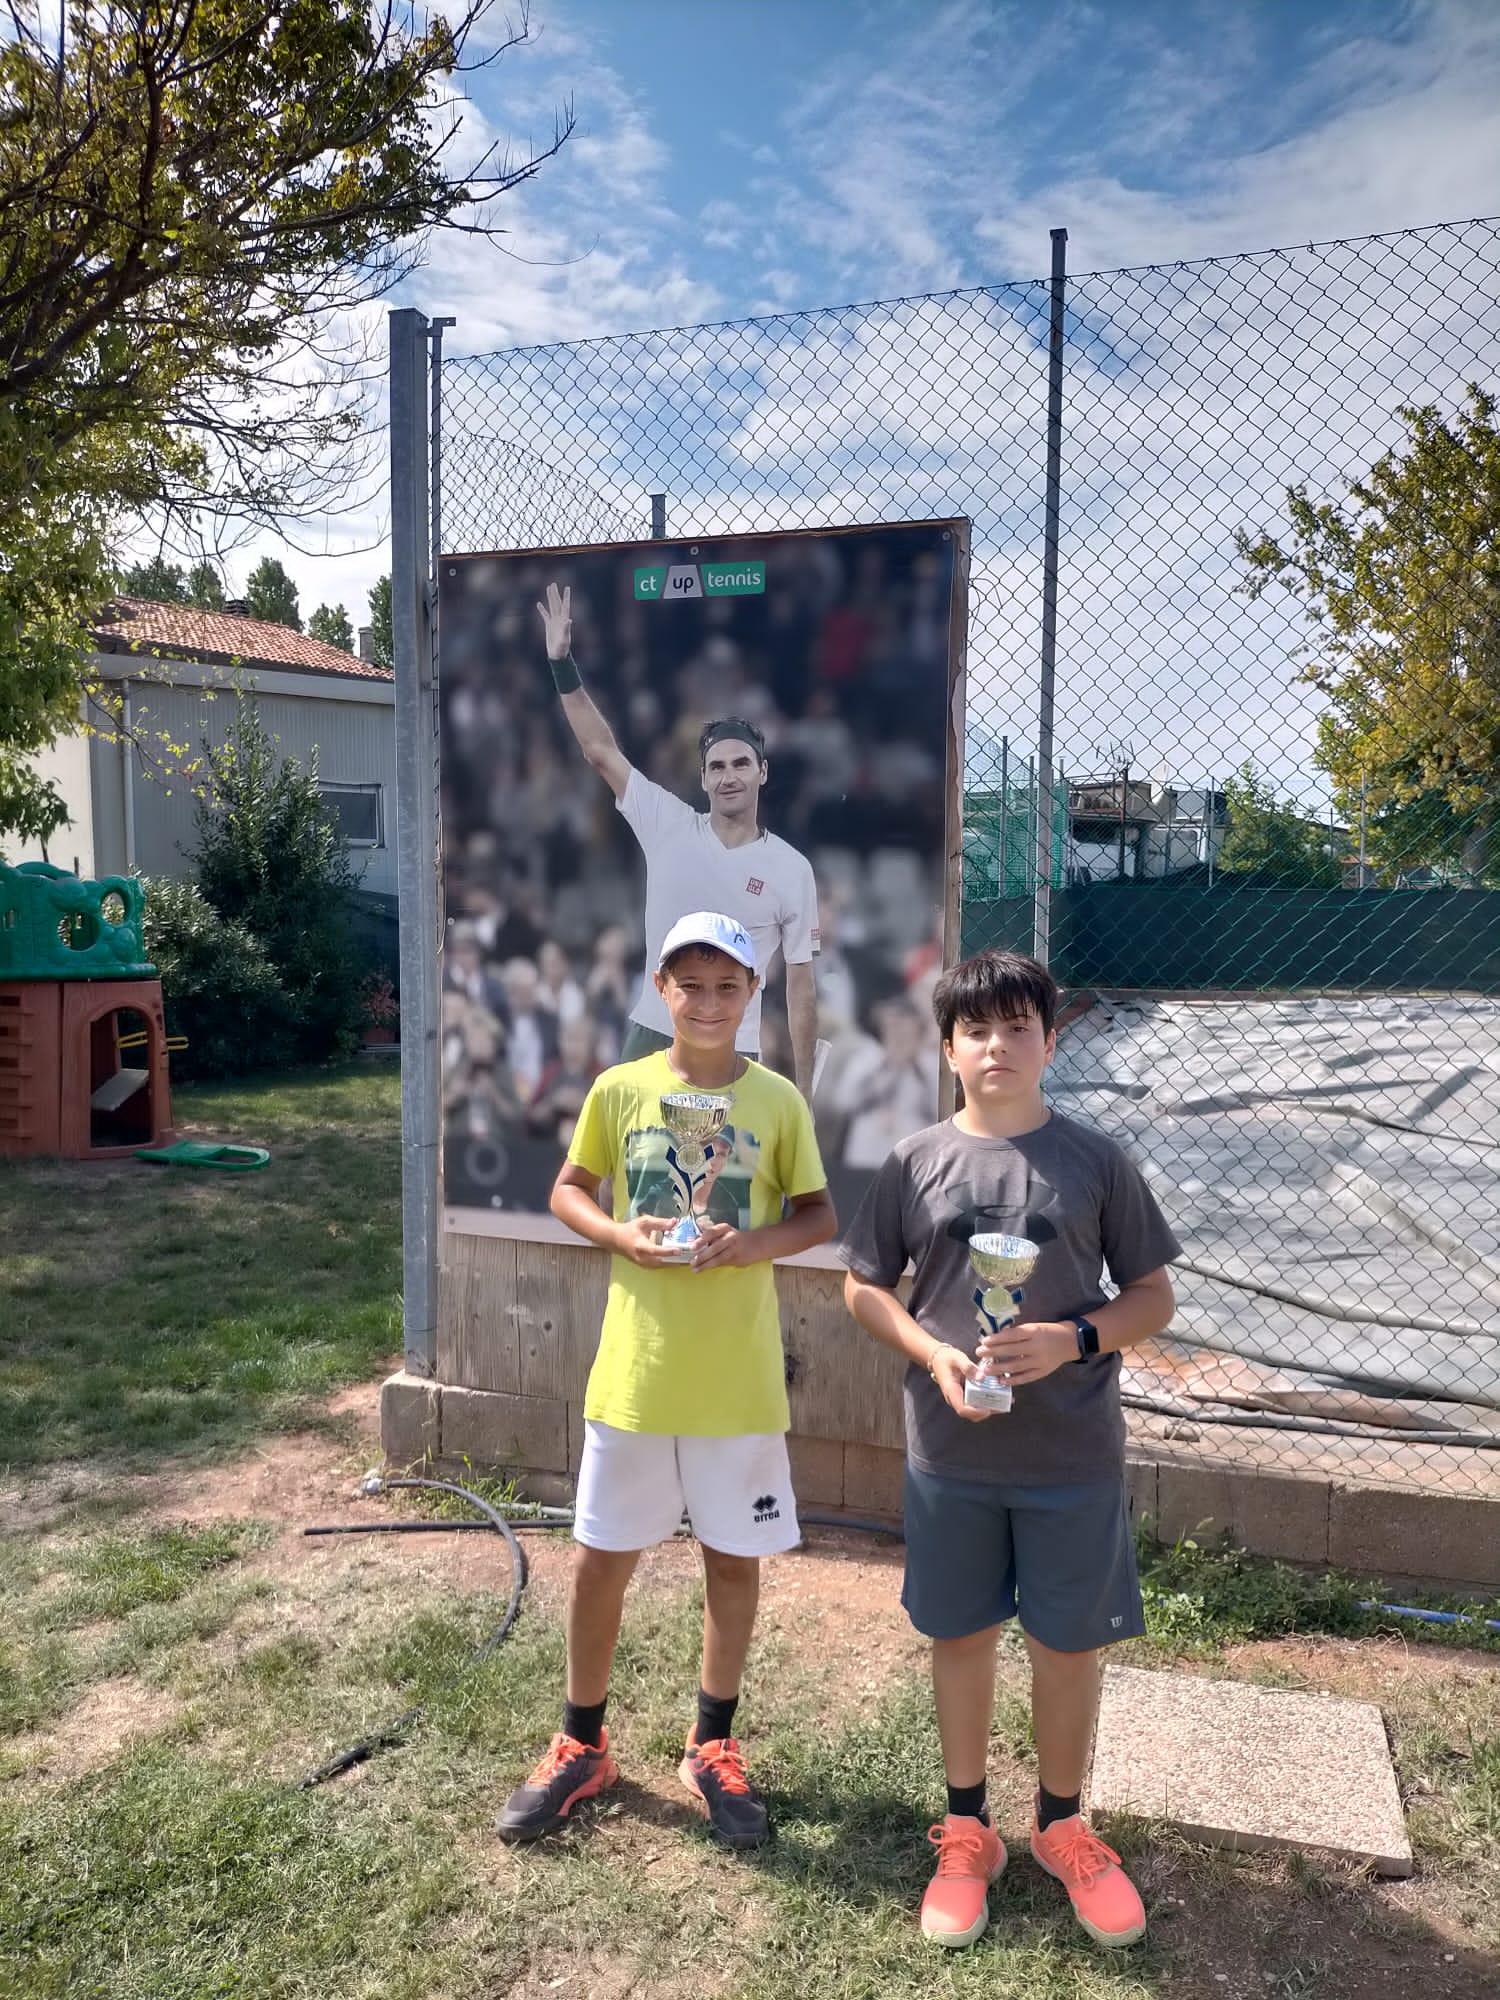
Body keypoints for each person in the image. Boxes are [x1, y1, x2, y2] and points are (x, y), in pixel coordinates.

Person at [840, 948, 1179, 1952]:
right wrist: (932, 1351)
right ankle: (968, 1830)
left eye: (1018, 1027)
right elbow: (863, 1285)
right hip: (952, 1453)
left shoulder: (1096, 1161)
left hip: (1071, 1455)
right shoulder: (914, 1161)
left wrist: (1075, 1338)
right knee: (961, 1635)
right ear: (948, 1049)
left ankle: (1062, 1825)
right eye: (976, 1030)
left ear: (1050, 1041)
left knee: (1068, 1643)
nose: (998, 1045)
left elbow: (1153, 1297)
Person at [496, 910, 837, 1850]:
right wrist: (620, 1234)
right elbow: (568, 1189)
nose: (708, 1002)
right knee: (603, 1558)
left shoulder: (776, 1100)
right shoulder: (622, 1088)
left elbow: (817, 1214)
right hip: (637, 1376)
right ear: (661, 988)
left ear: (753, 993)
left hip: (736, 1382)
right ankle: (582, 1742)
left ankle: (711, 1742)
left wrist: (749, 1245)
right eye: (691, 984)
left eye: (727, 986)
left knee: (732, 1561)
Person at [536, 581, 821, 1095]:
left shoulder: (792, 868)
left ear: (762, 772)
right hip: (653, 1034)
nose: (729, 776)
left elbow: (801, 989)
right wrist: (562, 664)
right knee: (622, 1150)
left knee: (729, 1156)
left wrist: (802, 1095)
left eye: (741, 764)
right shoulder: (669, 824)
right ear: (703, 778)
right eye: (717, 767)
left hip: (735, 1050)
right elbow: (600, 751)